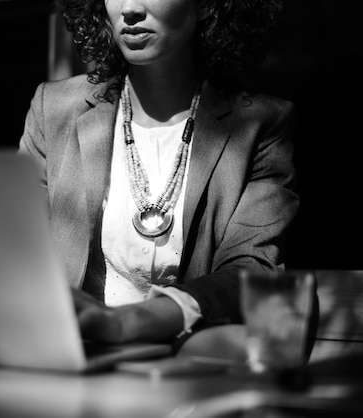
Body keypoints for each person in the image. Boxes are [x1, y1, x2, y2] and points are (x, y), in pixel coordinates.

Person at [19, 0, 303, 350]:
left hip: (189, 368)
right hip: (71, 358)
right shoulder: (54, 109)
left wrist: (127, 322)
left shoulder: (261, 124)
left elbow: (252, 269)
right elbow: (17, 249)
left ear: (205, 6)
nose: (131, 9)